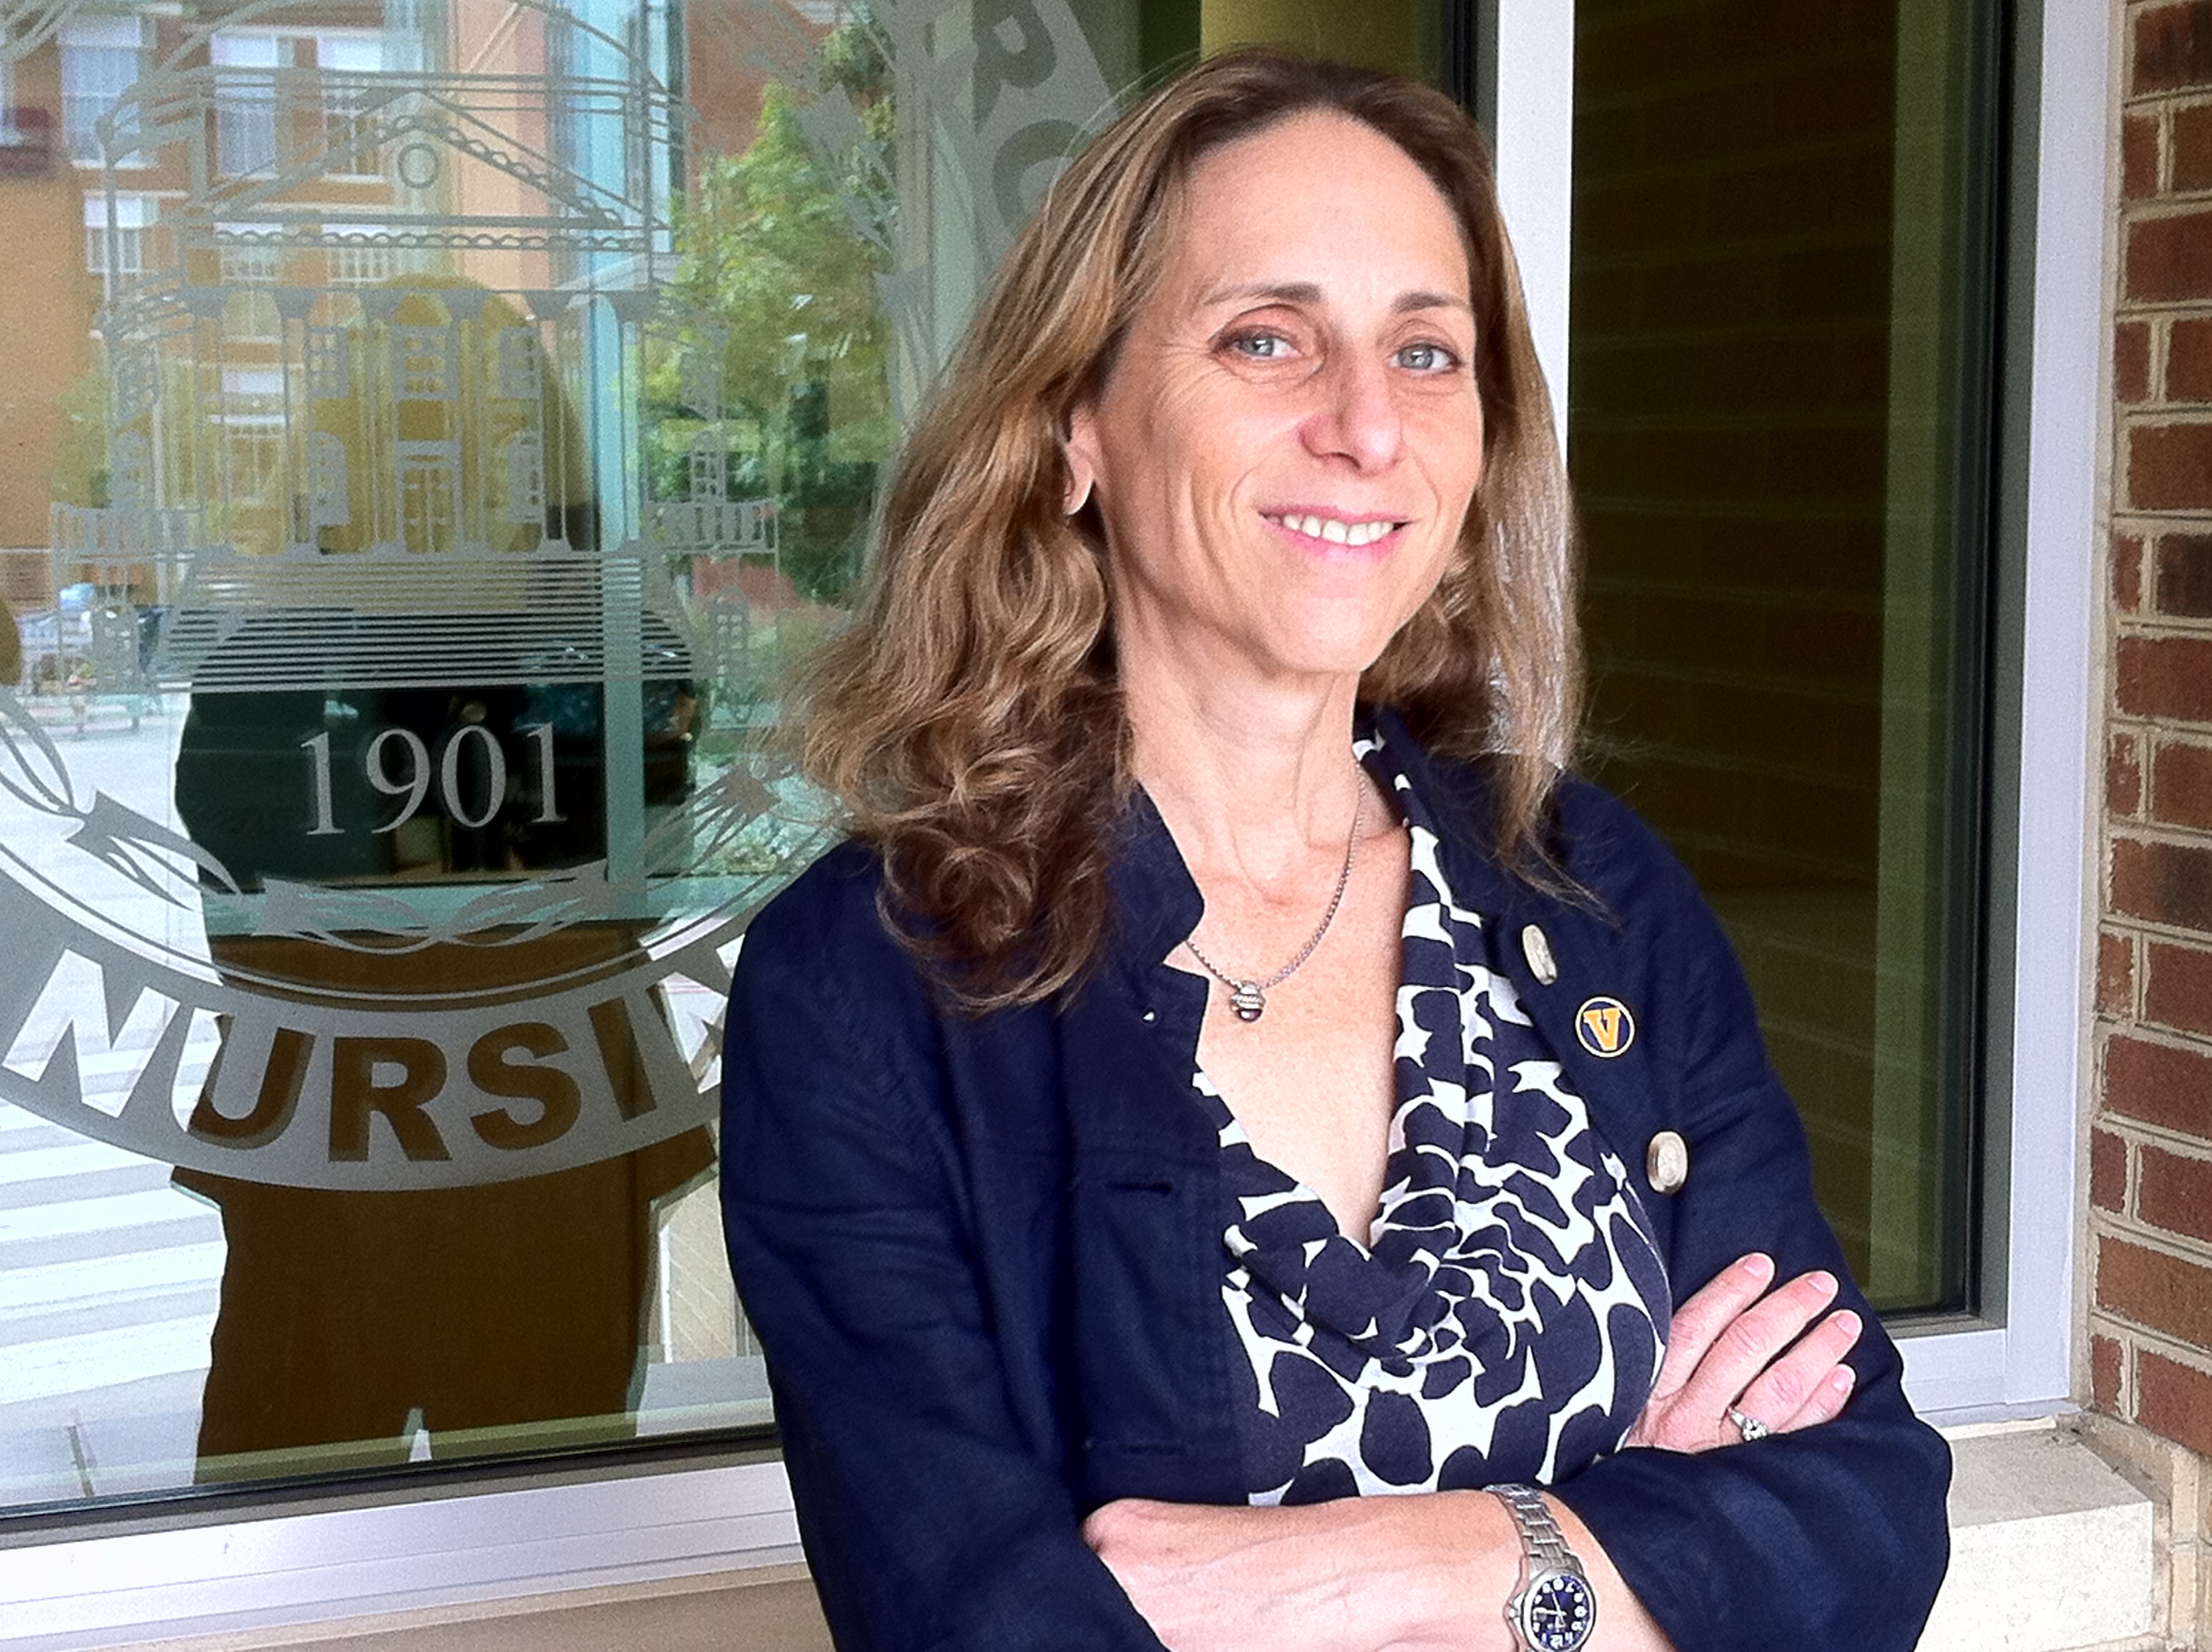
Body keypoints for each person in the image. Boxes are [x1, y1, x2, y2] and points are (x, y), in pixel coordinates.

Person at [719, 49, 1950, 1652]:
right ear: (1076, 425)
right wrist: (1639, 1550)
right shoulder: (875, 983)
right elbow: (979, 1621)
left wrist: (1389, 1568)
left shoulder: (1586, 888)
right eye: (1266, 339)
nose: (1368, 425)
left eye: (1427, 352)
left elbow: (1859, 1508)